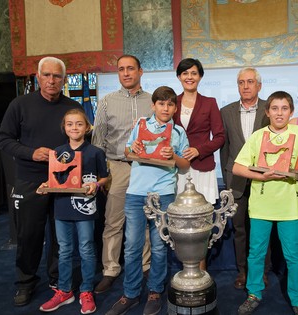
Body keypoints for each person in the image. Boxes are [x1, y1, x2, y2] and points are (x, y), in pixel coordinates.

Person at [0, 56, 83, 306]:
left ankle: (58, 280)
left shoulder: (72, 107)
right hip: (30, 181)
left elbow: (82, 142)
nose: (51, 80)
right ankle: (25, 282)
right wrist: (31, 153)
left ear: (64, 80)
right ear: (38, 77)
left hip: (65, 182)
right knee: (29, 235)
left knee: (61, 237)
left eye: (57, 76)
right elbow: (4, 139)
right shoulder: (19, 105)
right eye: (46, 75)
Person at [106, 86, 190, 315]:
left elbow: (185, 165)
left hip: (163, 194)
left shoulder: (178, 133)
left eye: (170, 104)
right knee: (132, 247)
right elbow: (127, 151)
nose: (166, 108)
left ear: (175, 107)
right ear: (153, 105)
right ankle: (130, 294)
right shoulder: (141, 124)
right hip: (136, 193)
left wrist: (173, 156)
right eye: (161, 103)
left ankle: (155, 291)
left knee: (160, 247)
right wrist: (133, 147)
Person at [233, 91, 298, 315]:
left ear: (291, 111)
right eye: (275, 108)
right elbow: (238, 167)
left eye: (284, 108)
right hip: (261, 205)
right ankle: (254, 293)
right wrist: (262, 177)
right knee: (256, 253)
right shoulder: (258, 136)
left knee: (294, 256)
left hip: (290, 206)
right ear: (267, 112)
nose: (279, 113)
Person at [92, 55, 153, 294]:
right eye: (121, 69)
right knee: (113, 221)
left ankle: (145, 266)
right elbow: (97, 142)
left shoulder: (154, 101)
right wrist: (102, 173)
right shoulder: (107, 101)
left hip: (147, 167)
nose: (126, 73)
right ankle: (110, 269)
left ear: (140, 71)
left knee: (145, 220)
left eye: (130, 69)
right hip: (117, 166)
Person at [37, 109, 109, 314]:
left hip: (85, 206)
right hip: (62, 206)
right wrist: (45, 185)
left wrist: (96, 184)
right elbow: (54, 179)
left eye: (79, 124)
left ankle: (86, 290)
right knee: (64, 249)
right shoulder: (58, 151)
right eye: (70, 124)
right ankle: (65, 290)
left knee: (86, 247)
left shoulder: (95, 152)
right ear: (64, 128)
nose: (74, 128)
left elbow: (104, 178)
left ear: (87, 127)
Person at [220, 67, 271, 290]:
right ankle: (242, 272)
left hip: (265, 180)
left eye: (250, 82)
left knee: (262, 230)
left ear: (259, 86)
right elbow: (225, 150)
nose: (246, 86)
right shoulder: (226, 111)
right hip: (236, 181)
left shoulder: (271, 108)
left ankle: (261, 272)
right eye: (241, 82)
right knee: (239, 229)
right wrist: (227, 177)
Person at [173, 58, 225, 270]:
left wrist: (199, 149)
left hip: (202, 167)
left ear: (200, 76)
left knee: (202, 220)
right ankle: (186, 268)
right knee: (180, 218)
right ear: (179, 77)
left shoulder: (210, 102)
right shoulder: (171, 102)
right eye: (185, 73)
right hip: (178, 168)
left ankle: (201, 270)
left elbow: (220, 136)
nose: (189, 77)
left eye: (194, 73)